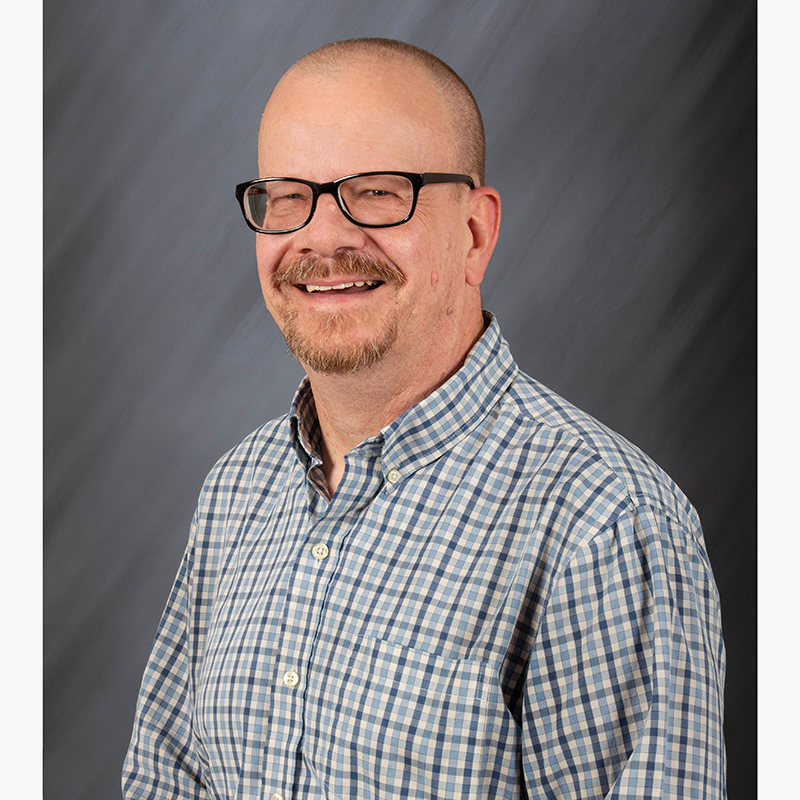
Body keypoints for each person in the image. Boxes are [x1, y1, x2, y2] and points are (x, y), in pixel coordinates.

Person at [122, 38, 726, 799]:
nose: (322, 238)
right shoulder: (237, 491)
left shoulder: (604, 523)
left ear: (475, 233)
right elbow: (165, 781)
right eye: (288, 197)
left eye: (377, 192)